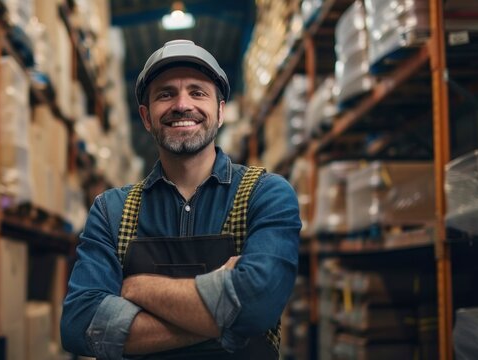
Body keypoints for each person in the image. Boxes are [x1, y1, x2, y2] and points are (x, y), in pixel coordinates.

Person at [61, 39, 301, 359]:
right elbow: (79, 325)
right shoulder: (111, 211)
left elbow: (258, 304)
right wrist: (227, 319)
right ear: (146, 117)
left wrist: (137, 289)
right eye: (166, 94)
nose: (182, 105)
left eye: (197, 92)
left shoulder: (266, 194)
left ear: (220, 111)